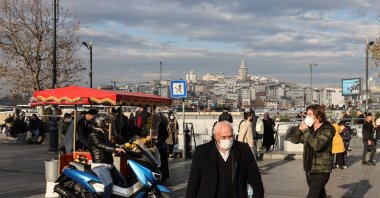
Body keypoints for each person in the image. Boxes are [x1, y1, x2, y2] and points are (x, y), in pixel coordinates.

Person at [186, 121, 264, 198]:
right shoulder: (202, 151)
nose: (228, 139)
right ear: (215, 136)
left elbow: (255, 177)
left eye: (230, 136)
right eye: (224, 137)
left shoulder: (243, 149)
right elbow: (194, 180)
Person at [290, 104, 334, 198]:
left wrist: (305, 130)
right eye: (307, 114)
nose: (307, 117)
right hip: (309, 168)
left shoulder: (327, 130)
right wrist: (300, 128)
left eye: (310, 114)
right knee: (319, 193)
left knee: (313, 194)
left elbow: (317, 146)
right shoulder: (310, 130)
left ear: (318, 116)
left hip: (321, 170)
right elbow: (294, 140)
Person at [88, 113, 127, 198]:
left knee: (123, 182)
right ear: (99, 122)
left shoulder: (102, 133)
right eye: (105, 122)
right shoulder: (93, 134)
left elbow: (109, 145)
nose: (107, 124)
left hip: (109, 164)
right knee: (109, 184)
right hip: (100, 165)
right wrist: (114, 149)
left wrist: (120, 147)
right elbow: (101, 145)